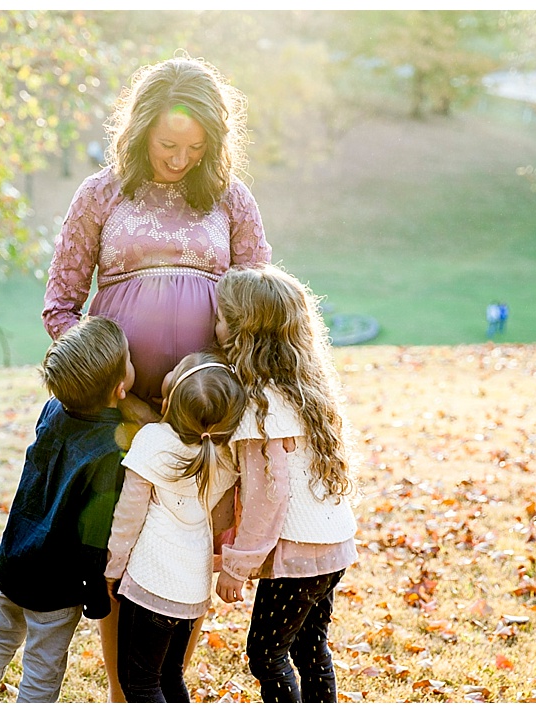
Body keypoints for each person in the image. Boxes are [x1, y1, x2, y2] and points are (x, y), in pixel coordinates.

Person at [41, 56, 272, 699]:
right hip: (115, 417)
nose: (179, 158)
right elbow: (61, 305)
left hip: (202, 416)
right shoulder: (102, 193)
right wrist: (109, 392)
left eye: (196, 148)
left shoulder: (231, 198)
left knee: (181, 552)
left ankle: (161, 687)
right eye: (169, 144)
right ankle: (124, 693)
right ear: (141, 130)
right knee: (118, 554)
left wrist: (225, 395)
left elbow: (259, 304)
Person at [0, 316, 134, 703]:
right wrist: (97, 600)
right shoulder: (110, 450)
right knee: (41, 671)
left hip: (14, 561)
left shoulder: (52, 410)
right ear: (121, 388)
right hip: (56, 586)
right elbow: (93, 538)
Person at [213, 265, 359, 703]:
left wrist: (237, 566)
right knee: (310, 647)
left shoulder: (259, 407)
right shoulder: (302, 389)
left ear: (243, 333)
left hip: (300, 550)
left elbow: (267, 498)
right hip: (333, 543)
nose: (213, 325)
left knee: (265, 653)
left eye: (220, 317)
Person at [103, 351, 245, 702]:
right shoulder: (225, 455)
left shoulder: (153, 441)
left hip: (153, 581)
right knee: (169, 675)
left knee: (138, 683)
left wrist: (111, 568)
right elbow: (223, 520)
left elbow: (128, 517)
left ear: (172, 401)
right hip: (193, 587)